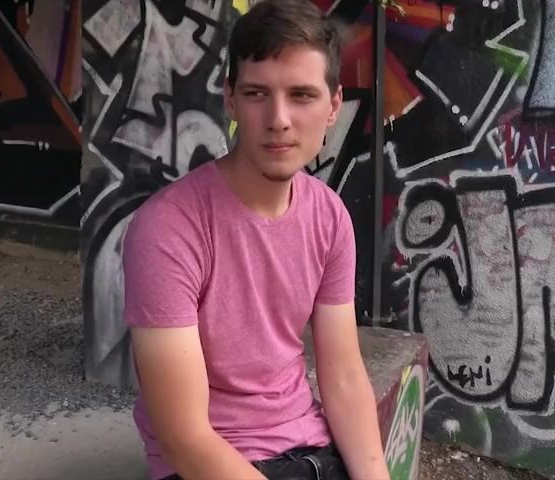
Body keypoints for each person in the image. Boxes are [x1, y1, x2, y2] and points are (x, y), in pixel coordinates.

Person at [122, 1, 390, 478]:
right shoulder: (167, 228)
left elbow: (345, 379)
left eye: (302, 95)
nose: (278, 118)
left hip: (310, 451)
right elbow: (185, 439)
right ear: (230, 99)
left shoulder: (329, 217)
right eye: (256, 93)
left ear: (333, 106)